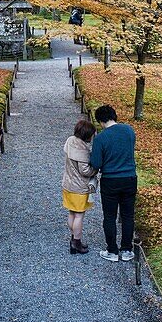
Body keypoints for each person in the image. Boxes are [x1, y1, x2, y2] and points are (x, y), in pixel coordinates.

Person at [89, 104, 137, 262]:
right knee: (128, 215)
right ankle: (127, 250)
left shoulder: (101, 138)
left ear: (101, 121)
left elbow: (96, 163)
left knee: (109, 216)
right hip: (130, 177)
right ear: (114, 116)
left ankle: (112, 251)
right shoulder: (129, 130)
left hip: (110, 180)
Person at [62, 119, 98, 254]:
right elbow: (85, 171)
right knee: (79, 215)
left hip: (67, 184)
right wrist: (95, 170)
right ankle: (76, 242)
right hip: (79, 187)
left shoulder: (70, 141)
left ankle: (73, 238)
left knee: (71, 212)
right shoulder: (82, 150)